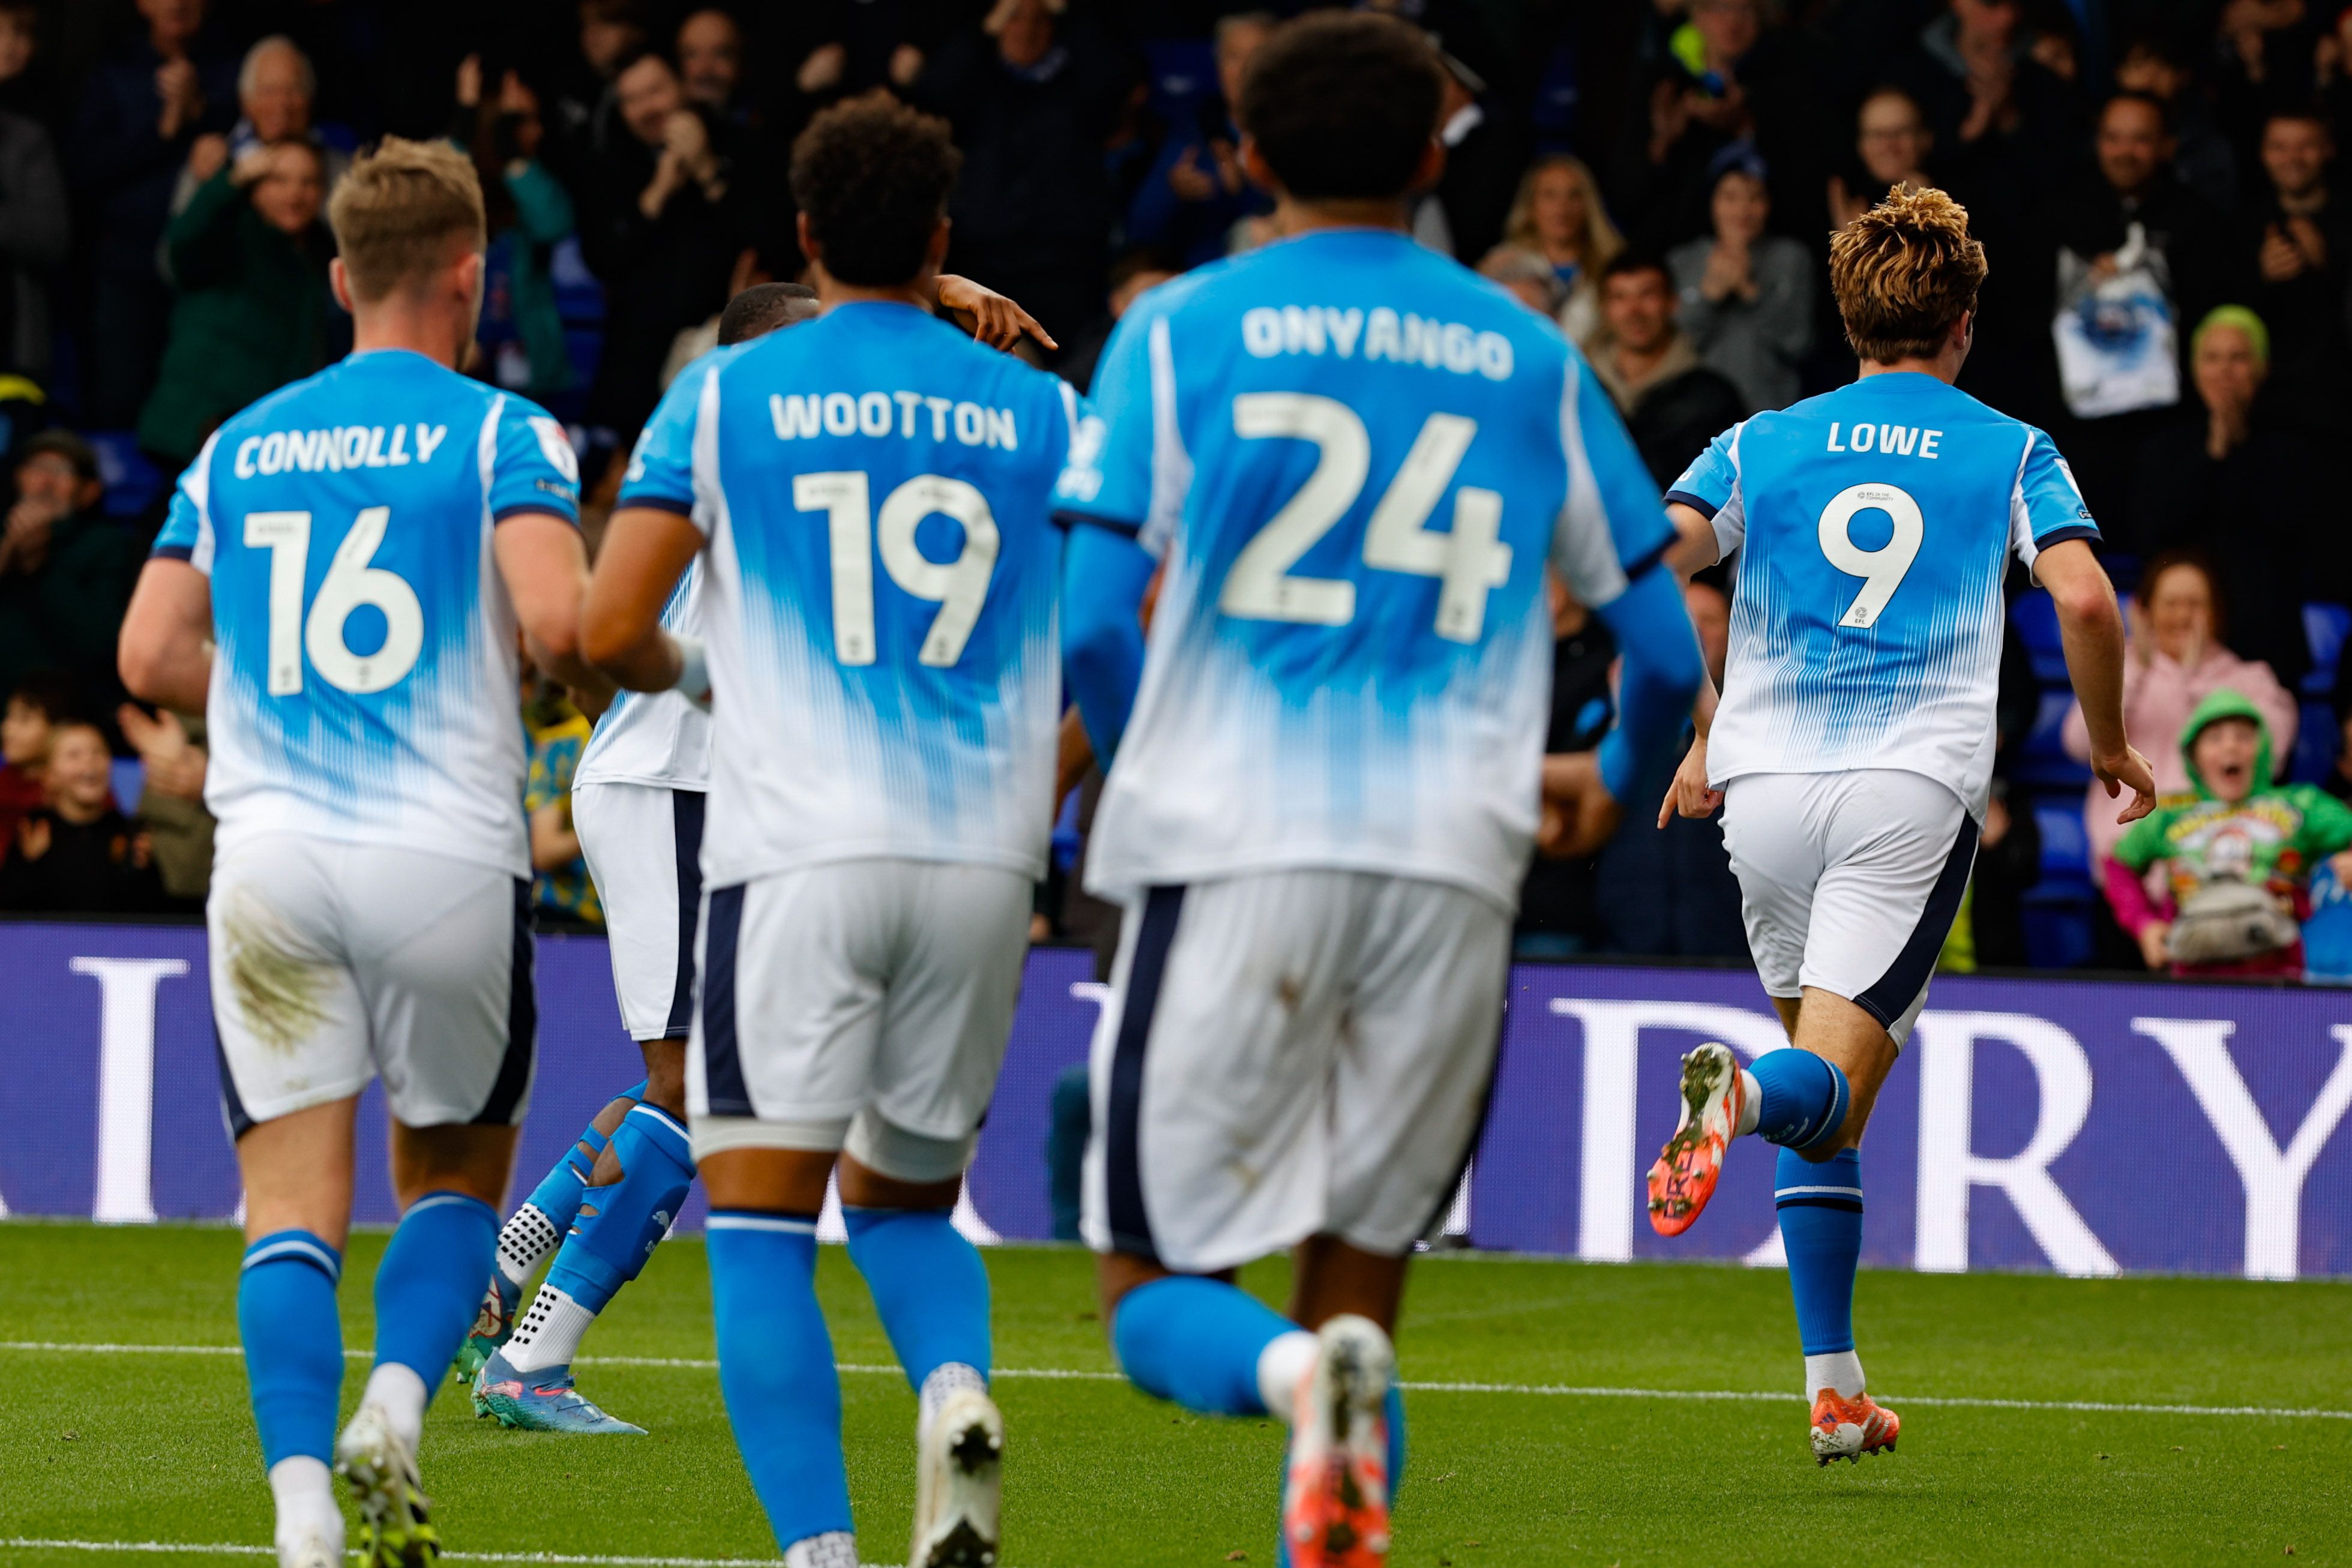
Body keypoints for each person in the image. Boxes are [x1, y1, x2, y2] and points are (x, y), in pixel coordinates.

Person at [1056, 16, 1700, 1564]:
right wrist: (1603, 779)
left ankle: (1286, 1378)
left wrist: (1155, 756)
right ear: (1430, 157)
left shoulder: (1177, 328)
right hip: (1452, 865)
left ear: (1251, 151)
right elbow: (1664, 653)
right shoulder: (1530, 353)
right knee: (1362, 1287)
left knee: (1145, 1293)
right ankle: (1327, 1398)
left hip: (1229, 846)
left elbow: (1084, 621)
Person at [582, 91, 1087, 1568]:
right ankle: (951, 1389)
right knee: (907, 1206)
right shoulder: (1047, 411)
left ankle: (819, 1553)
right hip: (980, 859)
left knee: (756, 1224)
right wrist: (1040, 782)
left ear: (803, 236)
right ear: (940, 238)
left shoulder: (727, 393)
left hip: (792, 851)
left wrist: (705, 671)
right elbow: (1134, 637)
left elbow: (607, 625)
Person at [116, 136, 606, 1568]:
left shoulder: (236, 442)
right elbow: (562, 628)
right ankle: (392, 1408)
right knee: (452, 1175)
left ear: (339, 278)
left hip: (268, 862)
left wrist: (275, 687)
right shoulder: (502, 431)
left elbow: (148, 648)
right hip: (445, 852)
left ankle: (298, 1512)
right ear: (473, 273)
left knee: (288, 1206)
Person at [1649, 184, 2153, 1465]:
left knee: (1834, 1101)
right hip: (1904, 792)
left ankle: (1834, 1388)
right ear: (1966, 322)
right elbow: (2086, 603)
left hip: (1758, 794)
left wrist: (1706, 721)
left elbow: (1648, 560)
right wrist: (2101, 739)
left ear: (1847, 314)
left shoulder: (1761, 440)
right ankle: (1734, 1093)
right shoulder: (2011, 446)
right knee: (1802, 1089)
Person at [460, 278, 820, 1436]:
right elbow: (572, 637)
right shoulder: (735, 456)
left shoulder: (750, 465)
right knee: (694, 1088)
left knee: (694, 1078)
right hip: (674, 787)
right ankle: (529, 1364)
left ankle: (503, 1269)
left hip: (699, 792)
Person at [576, 47, 769, 449]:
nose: (646, 108)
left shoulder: (739, 147)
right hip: (637, 371)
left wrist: (708, 172)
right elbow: (603, 259)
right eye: (632, 99)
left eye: (655, 92)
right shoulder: (607, 162)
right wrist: (657, 193)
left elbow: (770, 241)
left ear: (681, 86)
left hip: (721, 352)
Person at [2061, 549, 2299, 871]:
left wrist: (2193, 682)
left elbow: (2272, 755)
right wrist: (2134, 672)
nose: (2183, 616)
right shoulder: (2116, 667)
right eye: (2171, 604)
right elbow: (2077, 743)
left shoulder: (2249, 679)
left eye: (2195, 604)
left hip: (2216, 866)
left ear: (2216, 613)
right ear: (2145, 611)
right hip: (2125, 865)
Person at [2106, 689, 2352, 980]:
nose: (2231, 747)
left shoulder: (2302, 804)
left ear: (2263, 749)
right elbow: (2118, 865)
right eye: (2215, 738)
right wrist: (2145, 925)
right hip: (2191, 972)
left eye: (2244, 737)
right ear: (2193, 755)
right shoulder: (2169, 813)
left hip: (2280, 972)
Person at [2131, 307, 2320, 682]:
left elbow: (2297, 537)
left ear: (2262, 368)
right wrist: (2213, 455)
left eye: (2239, 358)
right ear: (2194, 368)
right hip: (2181, 641)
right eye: (2212, 358)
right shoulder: (2163, 450)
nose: (2225, 371)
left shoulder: (2293, 450)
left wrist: (2239, 448)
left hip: (2268, 644)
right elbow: (2152, 536)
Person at [70, 0, 236, 425]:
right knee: (120, 398)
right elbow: (86, 172)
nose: (178, 3)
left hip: (211, 272)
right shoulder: (110, 71)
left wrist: (199, 111)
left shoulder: (230, 70)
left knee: (200, 406)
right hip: (125, 268)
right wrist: (163, 129)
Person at [137, 137, 335, 470]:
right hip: (198, 432)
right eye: (279, 180)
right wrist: (228, 181)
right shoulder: (230, 232)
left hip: (272, 441)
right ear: (253, 187)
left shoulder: (325, 253)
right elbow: (183, 249)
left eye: (309, 182)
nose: (296, 194)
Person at [0, 430, 142, 718]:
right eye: (37, 468)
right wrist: (8, 551)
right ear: (18, 477)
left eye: (62, 472)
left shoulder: (111, 546)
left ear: (90, 491)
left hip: (73, 716)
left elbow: (101, 647)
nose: (45, 482)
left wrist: (41, 568)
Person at [1125, 11, 1275, 271]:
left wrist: (1248, 189)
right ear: (1218, 67)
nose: (1244, 70)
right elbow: (1140, 230)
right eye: (1233, 57)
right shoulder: (1193, 131)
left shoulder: (1297, 130)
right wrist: (1173, 192)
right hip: (1203, 283)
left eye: (1257, 55)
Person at [1584, 252, 1747, 487]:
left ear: (1672, 302)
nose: (1634, 311)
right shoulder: (1581, 387)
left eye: (1647, 295)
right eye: (1620, 298)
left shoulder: (1712, 397)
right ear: (1604, 309)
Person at [2233, 109, 2352, 425]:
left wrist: (2329, 265)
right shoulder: (2241, 222)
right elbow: (2219, 312)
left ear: (2329, 150)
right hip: (2265, 399)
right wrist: (2262, 277)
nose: (2293, 158)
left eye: (2306, 146)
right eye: (2280, 147)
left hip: (2341, 395)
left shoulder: (2346, 218)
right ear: (2263, 153)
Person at [1668, 152, 1814, 413]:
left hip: (1773, 414)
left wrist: (1750, 291)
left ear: (1769, 204)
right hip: (1697, 417)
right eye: (1730, 197)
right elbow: (1669, 349)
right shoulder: (1682, 261)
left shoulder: (1792, 257)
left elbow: (1799, 343)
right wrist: (1710, 296)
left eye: (1755, 197)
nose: (1743, 210)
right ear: (1711, 202)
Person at [0, 718, 165, 913]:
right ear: (49, 775)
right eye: (74, 755)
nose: (89, 761)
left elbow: (155, 917)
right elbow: (10, 911)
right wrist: (30, 865)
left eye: (98, 752)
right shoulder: (32, 829)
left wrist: (139, 871)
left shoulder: (131, 833)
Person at [1497, 153, 1623, 345]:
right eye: (1550, 195)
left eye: (1574, 195)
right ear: (1531, 207)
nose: (1562, 208)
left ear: (1589, 205)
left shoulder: (1617, 265)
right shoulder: (1501, 268)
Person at [1828, 86, 1933, 233]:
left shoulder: (1960, 204)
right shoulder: (1843, 201)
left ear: (1926, 139)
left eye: (1901, 132)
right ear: (1860, 145)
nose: (1888, 145)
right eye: (1877, 135)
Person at [0, 668, 64, 846]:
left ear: (57, 728)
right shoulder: (4, 784)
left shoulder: (78, 791)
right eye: (9, 717)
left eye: (24, 719)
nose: (7, 729)